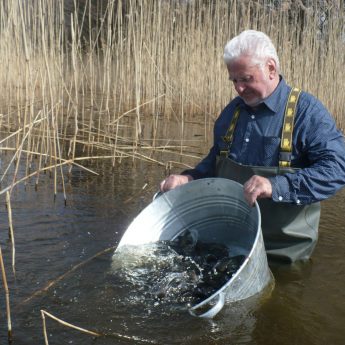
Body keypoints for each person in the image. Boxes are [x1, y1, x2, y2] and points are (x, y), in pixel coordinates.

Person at [159, 30, 345, 263]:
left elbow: (337, 170)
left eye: (246, 79)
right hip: (233, 244)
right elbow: (215, 160)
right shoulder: (232, 113)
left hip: (283, 252)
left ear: (270, 68)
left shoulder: (307, 112)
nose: (238, 88)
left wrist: (276, 186)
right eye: (234, 80)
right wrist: (190, 178)